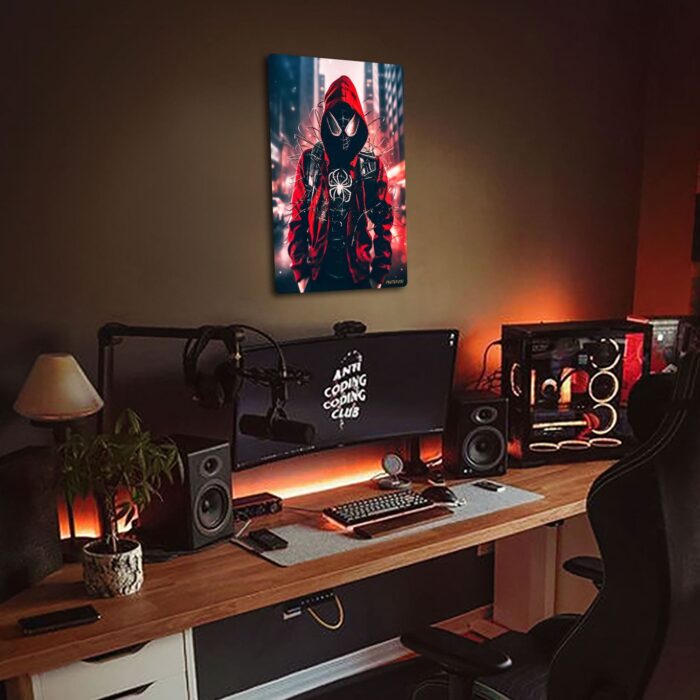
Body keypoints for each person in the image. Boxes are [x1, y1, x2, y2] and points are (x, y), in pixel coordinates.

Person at [288, 75, 393, 293]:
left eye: (348, 120)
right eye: (338, 120)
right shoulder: (310, 162)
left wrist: (378, 274)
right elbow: (297, 218)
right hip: (318, 275)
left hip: (359, 276)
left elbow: (384, 221)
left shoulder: (371, 166)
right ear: (328, 121)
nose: (343, 131)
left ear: (357, 121)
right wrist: (301, 274)